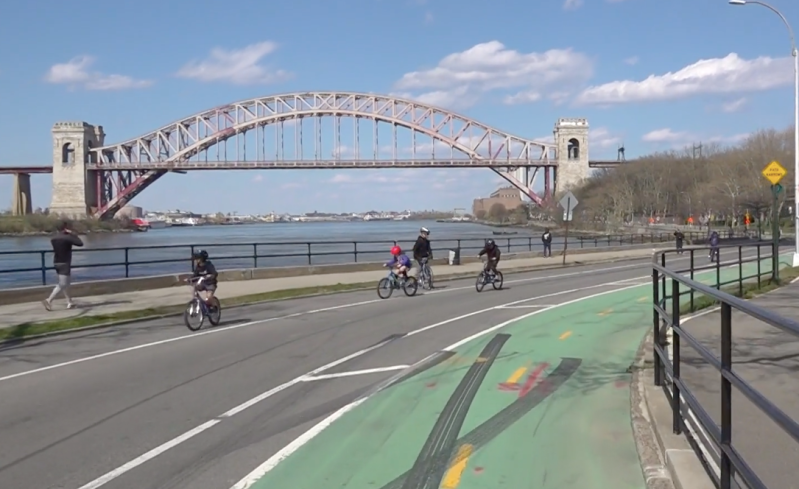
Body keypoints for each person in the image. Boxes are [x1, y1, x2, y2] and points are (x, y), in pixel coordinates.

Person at [42, 220, 84, 311]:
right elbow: (80, 243)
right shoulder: (67, 237)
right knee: (63, 284)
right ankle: (48, 300)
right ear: (66, 228)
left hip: (57, 262)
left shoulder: (53, 239)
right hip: (65, 263)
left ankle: (70, 302)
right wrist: (73, 234)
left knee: (66, 283)